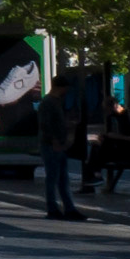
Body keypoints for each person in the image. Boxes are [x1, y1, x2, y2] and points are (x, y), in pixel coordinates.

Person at [38, 79, 82, 220]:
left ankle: (69, 208)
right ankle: (53, 208)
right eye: (66, 87)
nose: (67, 91)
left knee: (62, 178)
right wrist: (55, 141)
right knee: (53, 177)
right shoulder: (48, 102)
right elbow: (46, 124)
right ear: (60, 87)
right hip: (51, 145)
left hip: (58, 144)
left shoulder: (56, 101)